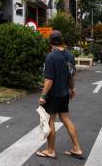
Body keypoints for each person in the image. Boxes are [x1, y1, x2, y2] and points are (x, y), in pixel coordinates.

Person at [36, 30, 84, 160]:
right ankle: (77, 148)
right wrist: (72, 89)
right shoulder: (69, 55)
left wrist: (43, 96)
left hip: (54, 96)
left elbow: (49, 81)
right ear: (62, 40)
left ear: (50, 42)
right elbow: (71, 75)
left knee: (50, 120)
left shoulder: (51, 57)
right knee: (66, 120)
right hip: (64, 94)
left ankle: (50, 150)